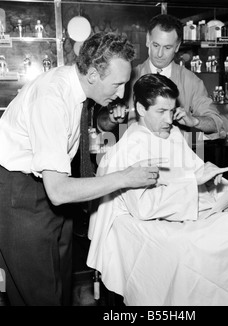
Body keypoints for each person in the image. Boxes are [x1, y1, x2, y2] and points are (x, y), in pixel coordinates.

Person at [87, 73, 228, 306]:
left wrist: (225, 194)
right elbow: (144, 206)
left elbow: (199, 174)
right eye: (161, 112)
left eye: (171, 111)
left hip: (192, 209)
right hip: (164, 221)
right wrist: (193, 183)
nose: (169, 119)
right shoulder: (130, 148)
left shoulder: (173, 135)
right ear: (140, 108)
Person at [0, 33, 165, 306]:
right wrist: (124, 178)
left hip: (47, 188)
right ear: (92, 75)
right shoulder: (52, 98)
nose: (122, 93)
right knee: (40, 296)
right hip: (20, 196)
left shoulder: (76, 85)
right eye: (118, 84)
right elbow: (59, 191)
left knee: (61, 286)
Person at [125, 13, 224, 139]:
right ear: (147, 40)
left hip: (177, 155)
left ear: (177, 47)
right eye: (155, 45)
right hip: (137, 154)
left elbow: (216, 123)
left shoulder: (191, 81)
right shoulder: (129, 78)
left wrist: (194, 120)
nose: (159, 54)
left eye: (167, 47)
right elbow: (103, 123)